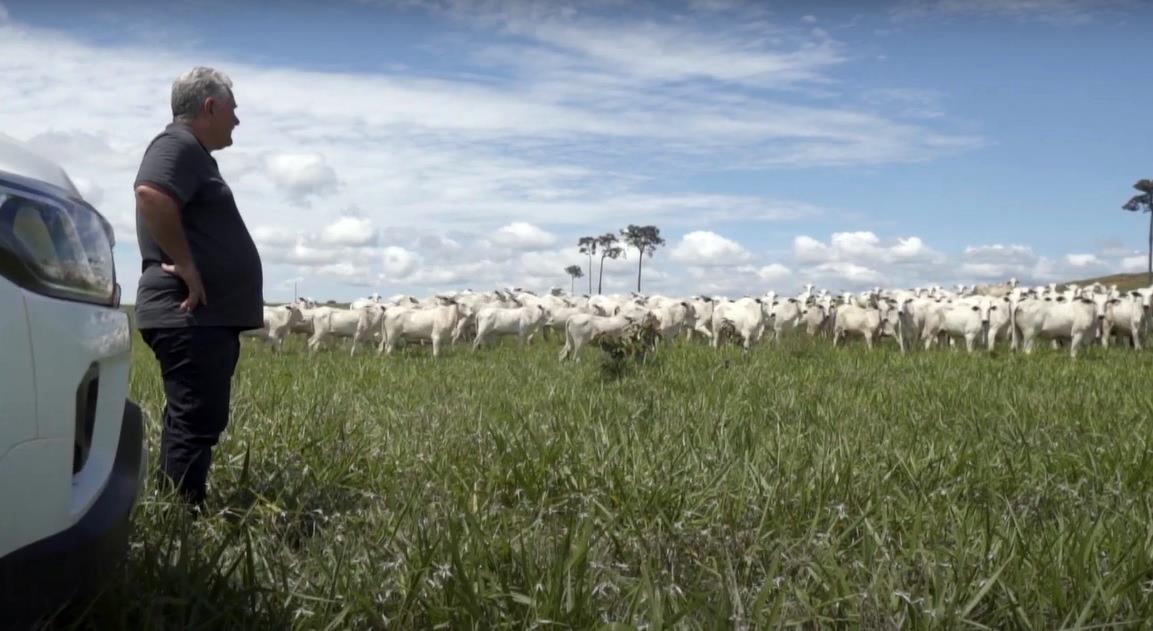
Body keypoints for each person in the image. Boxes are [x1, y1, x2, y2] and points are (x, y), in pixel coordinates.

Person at [133, 67, 263, 507]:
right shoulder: (177, 144)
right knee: (194, 423)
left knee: (191, 420)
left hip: (200, 319)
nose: (237, 121)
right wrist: (187, 265)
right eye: (233, 110)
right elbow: (151, 193)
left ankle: (174, 512)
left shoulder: (191, 153)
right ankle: (180, 525)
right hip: (189, 315)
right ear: (209, 106)